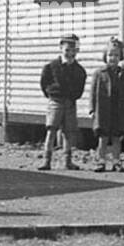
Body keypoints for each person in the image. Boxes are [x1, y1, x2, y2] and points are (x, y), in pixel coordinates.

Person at [39, 33, 86, 170]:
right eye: (67, 50)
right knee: (51, 130)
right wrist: (52, 94)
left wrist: (73, 97)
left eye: (73, 50)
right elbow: (44, 83)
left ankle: (67, 161)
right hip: (55, 101)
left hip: (70, 103)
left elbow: (80, 87)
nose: (70, 53)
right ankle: (46, 160)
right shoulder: (51, 67)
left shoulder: (79, 70)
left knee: (68, 132)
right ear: (61, 49)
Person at [88, 37, 124, 172]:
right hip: (103, 110)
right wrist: (92, 109)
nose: (113, 58)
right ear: (105, 56)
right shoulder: (99, 74)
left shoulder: (122, 75)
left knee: (117, 137)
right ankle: (100, 161)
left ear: (121, 57)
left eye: (116, 55)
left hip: (118, 110)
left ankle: (116, 161)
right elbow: (92, 93)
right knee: (103, 137)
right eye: (110, 55)